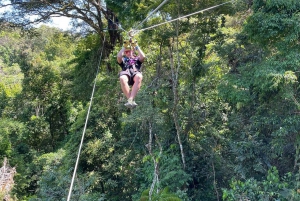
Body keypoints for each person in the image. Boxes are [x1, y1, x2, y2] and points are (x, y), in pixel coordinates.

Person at [117, 40, 146, 108]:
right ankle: (130, 100)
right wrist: (124, 47)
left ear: (132, 51)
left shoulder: (137, 59)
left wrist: (136, 46)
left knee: (139, 76)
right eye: (126, 52)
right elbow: (118, 57)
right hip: (126, 73)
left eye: (129, 51)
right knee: (122, 78)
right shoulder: (124, 60)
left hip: (135, 73)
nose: (128, 53)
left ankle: (131, 99)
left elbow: (143, 57)